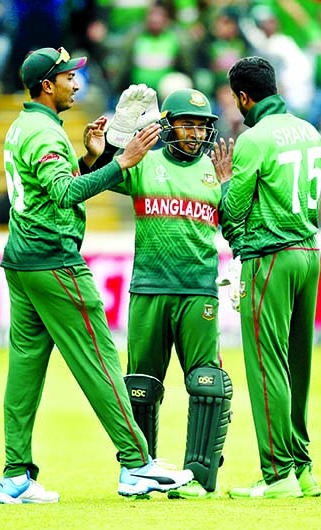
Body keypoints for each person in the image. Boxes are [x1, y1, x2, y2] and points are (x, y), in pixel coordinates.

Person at [0, 47, 192, 504]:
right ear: (48, 85)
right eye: (68, 77)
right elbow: (63, 196)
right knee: (100, 361)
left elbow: (53, 188)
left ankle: (15, 476)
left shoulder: (27, 126)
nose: (76, 84)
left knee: (24, 373)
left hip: (23, 263)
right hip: (54, 261)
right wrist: (121, 163)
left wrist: (92, 160)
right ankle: (136, 465)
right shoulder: (43, 135)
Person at [102, 87, 234, 499]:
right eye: (187, 124)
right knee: (141, 385)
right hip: (149, 288)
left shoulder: (217, 171)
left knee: (208, 383)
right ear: (168, 125)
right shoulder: (145, 162)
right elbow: (103, 172)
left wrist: (228, 185)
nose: (194, 133)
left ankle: (200, 476)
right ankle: (141, 473)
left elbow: (233, 221)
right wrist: (114, 140)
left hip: (198, 290)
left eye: (201, 126)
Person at [216, 56, 321, 499]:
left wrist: (223, 182)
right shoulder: (309, 131)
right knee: (298, 366)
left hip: (270, 258)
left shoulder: (252, 139)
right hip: (309, 254)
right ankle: (302, 468)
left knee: (266, 366)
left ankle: (277, 474)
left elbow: (233, 211)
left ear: (244, 96)